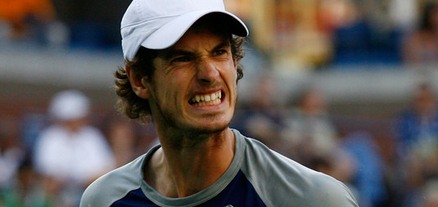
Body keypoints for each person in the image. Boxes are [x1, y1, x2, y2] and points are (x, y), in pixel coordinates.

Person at [80, 0, 358, 206]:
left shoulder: (314, 199)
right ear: (140, 80)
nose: (210, 74)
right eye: (182, 58)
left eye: (220, 52)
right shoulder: (104, 200)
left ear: (235, 62)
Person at [34, 90, 115, 207]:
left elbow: (105, 170)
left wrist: (82, 181)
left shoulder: (92, 136)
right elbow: (48, 175)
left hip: (89, 193)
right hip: (57, 196)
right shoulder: (50, 137)